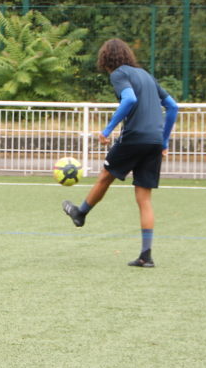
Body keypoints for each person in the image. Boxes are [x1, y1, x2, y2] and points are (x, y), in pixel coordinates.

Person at [61, 38, 179, 267]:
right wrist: (164, 141)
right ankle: (146, 255)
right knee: (144, 199)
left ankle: (80, 213)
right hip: (154, 140)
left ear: (106, 59)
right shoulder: (146, 75)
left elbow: (130, 99)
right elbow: (173, 106)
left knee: (106, 176)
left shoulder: (118, 74)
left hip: (134, 137)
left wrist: (107, 130)